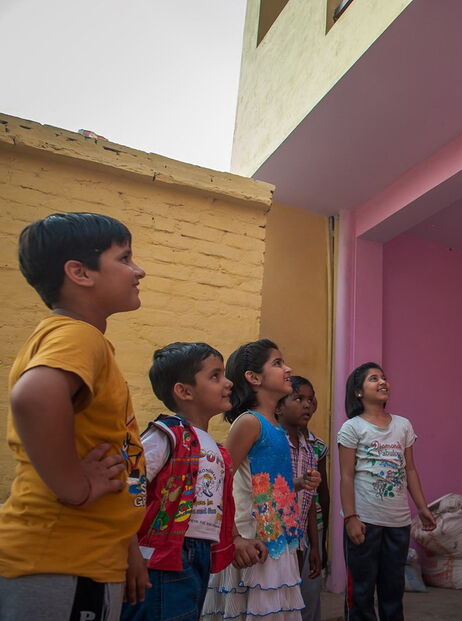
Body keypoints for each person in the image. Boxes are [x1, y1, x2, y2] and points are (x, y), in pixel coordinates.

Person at [0, 213, 147, 621]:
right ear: (80, 272)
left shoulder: (83, 339)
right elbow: (33, 397)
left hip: (87, 556)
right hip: (62, 556)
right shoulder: (77, 334)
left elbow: (112, 448)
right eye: (125, 259)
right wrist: (76, 486)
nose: (139, 270)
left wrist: (126, 547)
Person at [121, 342, 243, 621]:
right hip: (166, 555)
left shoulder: (213, 445)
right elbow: (129, 486)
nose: (227, 382)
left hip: (199, 551)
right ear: (184, 391)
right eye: (215, 376)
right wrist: (131, 552)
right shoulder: (167, 435)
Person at [201, 339, 317, 620]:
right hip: (253, 541)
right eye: (277, 363)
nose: (287, 368)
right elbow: (221, 479)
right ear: (254, 378)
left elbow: (264, 481)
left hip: (278, 538)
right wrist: (233, 538)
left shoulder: (276, 427)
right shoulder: (250, 422)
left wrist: (298, 483)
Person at [338, 362, 436, 621]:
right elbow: (346, 475)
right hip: (365, 522)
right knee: (361, 592)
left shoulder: (403, 426)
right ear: (358, 392)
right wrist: (350, 518)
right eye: (373, 379)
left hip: (398, 523)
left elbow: (411, 470)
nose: (382, 382)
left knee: (393, 590)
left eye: (383, 378)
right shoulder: (352, 428)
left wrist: (422, 508)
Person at [277, 375, 328, 621]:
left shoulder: (310, 448)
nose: (307, 405)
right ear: (278, 406)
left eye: (310, 399)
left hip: (300, 540)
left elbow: (310, 501)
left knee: (296, 602)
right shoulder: (274, 443)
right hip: (276, 538)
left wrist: (315, 545)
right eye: (299, 399)